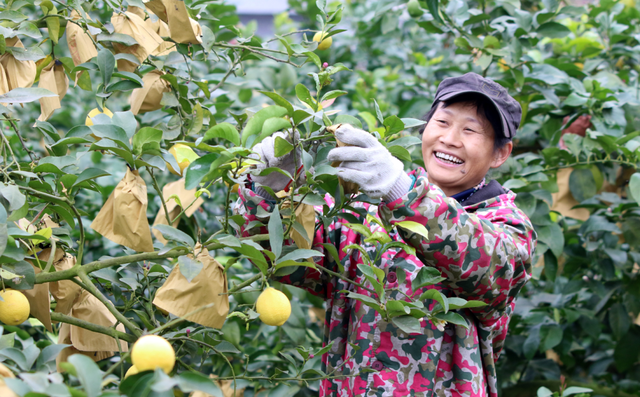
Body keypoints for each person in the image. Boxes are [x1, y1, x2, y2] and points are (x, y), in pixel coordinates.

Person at [234, 72, 537, 397]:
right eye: (443, 122)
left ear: (500, 154)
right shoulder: (365, 208)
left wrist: (400, 190)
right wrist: (269, 190)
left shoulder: (507, 226)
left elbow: (482, 262)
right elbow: (290, 261)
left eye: (470, 130)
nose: (450, 138)